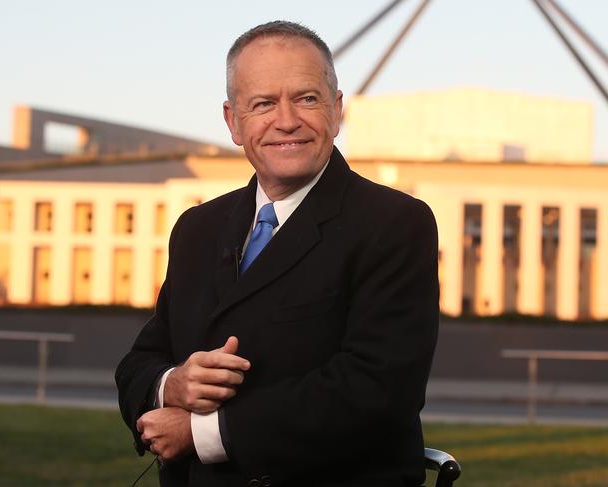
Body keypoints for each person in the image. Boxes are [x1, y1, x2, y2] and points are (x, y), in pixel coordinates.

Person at [116, 20, 439, 487]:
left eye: (306, 98)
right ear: (232, 122)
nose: (286, 120)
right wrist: (173, 384)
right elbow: (139, 362)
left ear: (337, 108)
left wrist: (204, 433)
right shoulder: (197, 229)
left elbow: (379, 390)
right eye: (263, 103)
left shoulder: (394, 223)